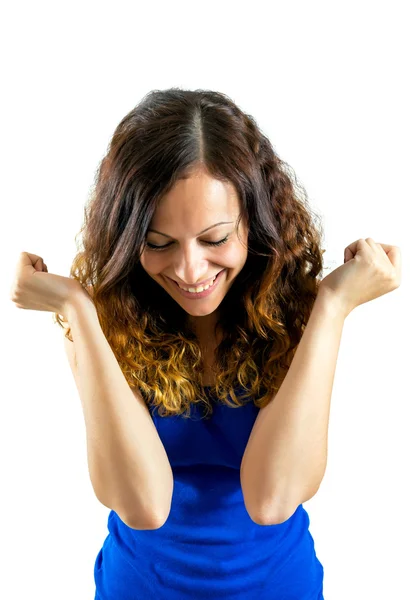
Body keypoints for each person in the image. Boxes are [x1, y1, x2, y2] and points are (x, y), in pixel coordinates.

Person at [10, 88, 401, 600]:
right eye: (158, 243)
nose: (190, 271)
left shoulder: (299, 316)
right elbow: (142, 506)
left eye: (214, 240)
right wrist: (77, 310)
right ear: (129, 240)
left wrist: (331, 307)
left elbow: (273, 498)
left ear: (255, 224)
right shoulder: (102, 322)